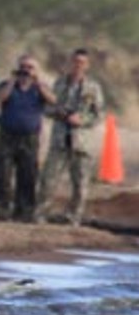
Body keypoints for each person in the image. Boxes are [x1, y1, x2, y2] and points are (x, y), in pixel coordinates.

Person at [40, 48, 106, 226]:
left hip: (81, 141)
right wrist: (59, 113)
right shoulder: (60, 84)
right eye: (75, 61)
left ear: (87, 65)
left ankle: (73, 217)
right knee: (49, 178)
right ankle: (42, 213)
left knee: (81, 184)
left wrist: (82, 120)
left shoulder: (93, 88)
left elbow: (99, 115)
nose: (77, 65)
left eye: (82, 62)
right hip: (60, 138)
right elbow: (47, 108)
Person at [0, 54, 52, 223]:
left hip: (30, 137)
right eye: (23, 66)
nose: (26, 71)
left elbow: (53, 100)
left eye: (30, 67)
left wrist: (38, 82)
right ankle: (2, 210)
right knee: (3, 173)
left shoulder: (40, 88)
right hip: (7, 135)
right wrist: (12, 81)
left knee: (28, 175)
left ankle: (24, 212)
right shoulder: (7, 85)